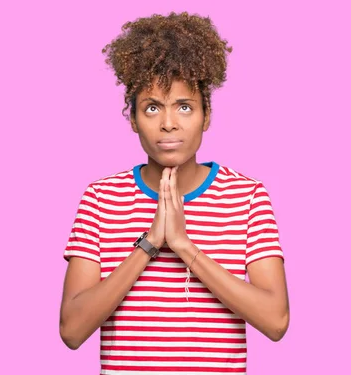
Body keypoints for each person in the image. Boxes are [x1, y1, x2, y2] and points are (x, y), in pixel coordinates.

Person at [58, 12, 290, 374]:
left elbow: (276, 321)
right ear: (133, 118)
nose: (169, 123)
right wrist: (151, 242)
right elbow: (72, 330)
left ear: (206, 115)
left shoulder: (247, 197)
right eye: (152, 108)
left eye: (184, 106)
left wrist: (183, 244)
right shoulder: (100, 199)